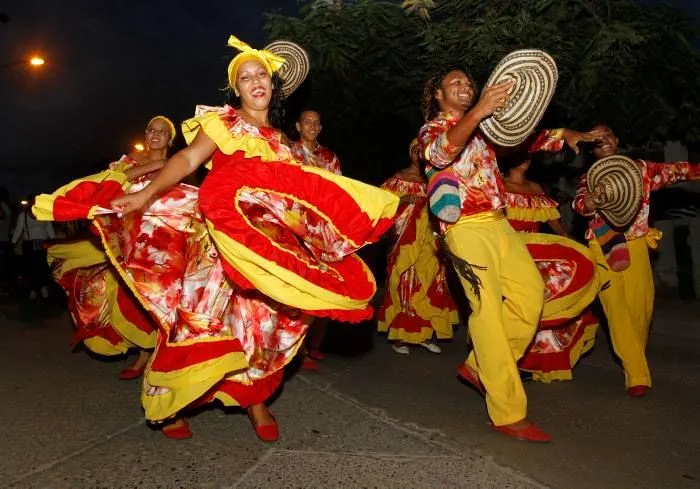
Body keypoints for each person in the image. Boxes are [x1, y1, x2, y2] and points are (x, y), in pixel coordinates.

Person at [106, 36, 397, 441]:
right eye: (245, 77)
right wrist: (144, 193)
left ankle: (255, 401)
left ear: (273, 86)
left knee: (260, 324)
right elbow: (188, 160)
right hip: (219, 242)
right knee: (198, 319)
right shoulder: (224, 122)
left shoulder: (282, 142)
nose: (255, 81)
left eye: (261, 74)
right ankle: (172, 401)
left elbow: (295, 200)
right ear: (236, 89)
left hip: (265, 247)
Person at [418, 66, 595, 442]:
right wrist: (479, 111)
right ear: (438, 94)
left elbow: (525, 138)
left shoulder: (485, 130)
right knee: (487, 310)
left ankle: (481, 365)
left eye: (469, 83)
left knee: (531, 296)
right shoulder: (434, 128)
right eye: (456, 83)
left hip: (500, 224)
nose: (465, 87)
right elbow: (438, 152)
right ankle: (507, 411)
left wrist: (566, 135)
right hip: (463, 229)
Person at [574, 124, 700, 397]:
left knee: (640, 308)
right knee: (616, 308)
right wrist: (591, 203)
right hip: (602, 244)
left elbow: (678, 171)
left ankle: (633, 357)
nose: (603, 141)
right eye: (596, 140)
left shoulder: (642, 169)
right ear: (592, 149)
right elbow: (580, 206)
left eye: (607, 135)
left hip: (637, 243)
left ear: (617, 139)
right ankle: (637, 374)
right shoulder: (589, 178)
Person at [45, 116, 175, 380]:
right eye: (151, 130)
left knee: (161, 297)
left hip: (162, 235)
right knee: (127, 292)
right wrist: (156, 165)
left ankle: (153, 356)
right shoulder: (130, 160)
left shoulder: (178, 164)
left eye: (162, 132)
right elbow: (116, 180)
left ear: (170, 139)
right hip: (128, 233)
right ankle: (143, 351)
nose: (155, 134)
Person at [502, 154, 599, 382]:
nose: (524, 159)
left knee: (547, 308)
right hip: (508, 259)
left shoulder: (535, 187)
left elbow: (553, 221)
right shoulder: (498, 185)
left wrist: (570, 242)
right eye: (519, 154)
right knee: (514, 312)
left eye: (526, 155)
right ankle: (506, 361)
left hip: (536, 259)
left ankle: (537, 363)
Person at [377, 139, 457, 354]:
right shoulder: (399, 178)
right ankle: (400, 337)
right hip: (404, 241)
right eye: (414, 150)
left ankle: (424, 334)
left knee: (430, 281)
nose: (418, 154)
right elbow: (380, 204)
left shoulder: (435, 180)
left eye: (422, 151)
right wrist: (404, 199)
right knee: (404, 281)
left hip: (430, 241)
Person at [290, 109, 342, 369]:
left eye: (316, 123)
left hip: (323, 232)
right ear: (298, 126)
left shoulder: (329, 157)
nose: (312, 126)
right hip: (295, 228)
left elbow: (339, 191)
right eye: (307, 122)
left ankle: (312, 346)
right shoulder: (289, 152)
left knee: (322, 287)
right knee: (298, 288)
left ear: (320, 128)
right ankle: (296, 350)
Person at [12, 197, 55, 301]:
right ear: (30, 202)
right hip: (29, 244)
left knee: (42, 266)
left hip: (43, 244)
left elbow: (49, 228)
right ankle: (33, 290)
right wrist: (13, 242)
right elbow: (19, 229)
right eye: (34, 201)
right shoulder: (24, 215)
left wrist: (55, 240)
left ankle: (42, 287)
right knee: (30, 267)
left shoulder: (45, 214)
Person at [0, 187, 11, 285]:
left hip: (3, 242)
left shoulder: (6, 218)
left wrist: (2, 201)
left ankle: (3, 283)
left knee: (2, 264)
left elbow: (7, 212)